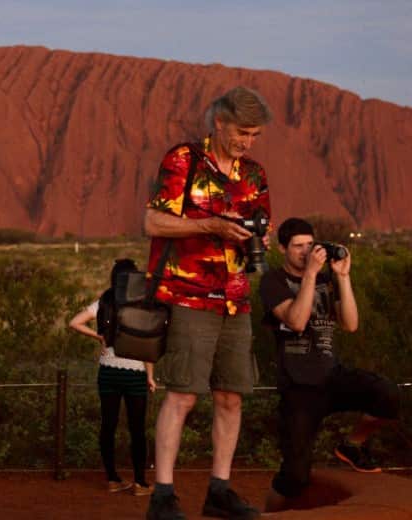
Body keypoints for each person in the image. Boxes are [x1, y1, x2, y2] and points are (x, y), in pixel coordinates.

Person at [144, 86, 272, 520]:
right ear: (219, 122)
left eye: (254, 135)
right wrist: (213, 225)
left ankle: (219, 490)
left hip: (236, 298)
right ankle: (162, 495)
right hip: (190, 294)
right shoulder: (184, 160)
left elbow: (260, 225)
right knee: (182, 395)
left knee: (231, 396)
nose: (248, 142)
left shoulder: (253, 174)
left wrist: (257, 235)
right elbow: (152, 220)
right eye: (242, 132)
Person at [260, 218, 399, 511]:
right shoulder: (272, 281)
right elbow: (296, 321)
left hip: (331, 377)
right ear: (283, 248)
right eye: (298, 246)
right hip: (298, 389)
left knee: (388, 395)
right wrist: (310, 275)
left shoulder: (326, 280)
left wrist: (343, 277)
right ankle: (268, 513)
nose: (306, 252)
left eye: (310, 245)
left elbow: (350, 324)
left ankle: (352, 445)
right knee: (295, 477)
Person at [69, 259, 156, 496]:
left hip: (107, 371)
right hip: (135, 372)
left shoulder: (105, 300)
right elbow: (147, 344)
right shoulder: (141, 304)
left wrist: (99, 337)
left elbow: (74, 322)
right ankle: (140, 483)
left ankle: (112, 479)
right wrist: (150, 376)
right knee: (137, 429)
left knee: (108, 425)